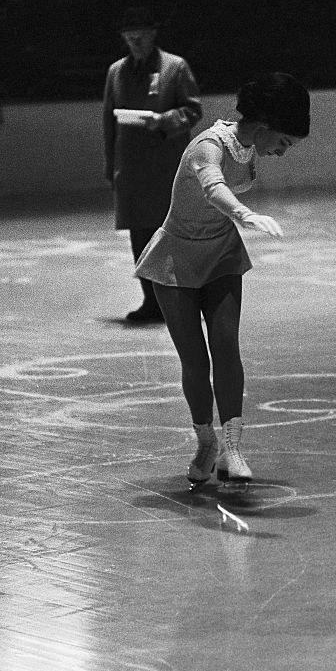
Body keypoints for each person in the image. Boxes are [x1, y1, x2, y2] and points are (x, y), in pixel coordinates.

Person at [135, 72, 310, 484]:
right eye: (283, 143)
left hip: (221, 254)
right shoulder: (207, 146)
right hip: (177, 257)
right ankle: (205, 442)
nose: (282, 153)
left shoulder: (248, 147)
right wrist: (245, 214)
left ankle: (233, 449)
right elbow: (213, 187)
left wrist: (236, 222)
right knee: (195, 359)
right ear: (264, 127)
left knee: (226, 348)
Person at [103, 7, 203, 323]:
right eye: (129, 38)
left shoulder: (175, 67)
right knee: (140, 238)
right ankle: (151, 301)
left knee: (170, 236)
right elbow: (109, 121)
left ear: (152, 35)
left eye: (140, 37)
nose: (135, 42)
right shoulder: (116, 72)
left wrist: (164, 121)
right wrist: (111, 164)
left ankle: (180, 300)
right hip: (131, 171)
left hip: (166, 170)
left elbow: (192, 110)